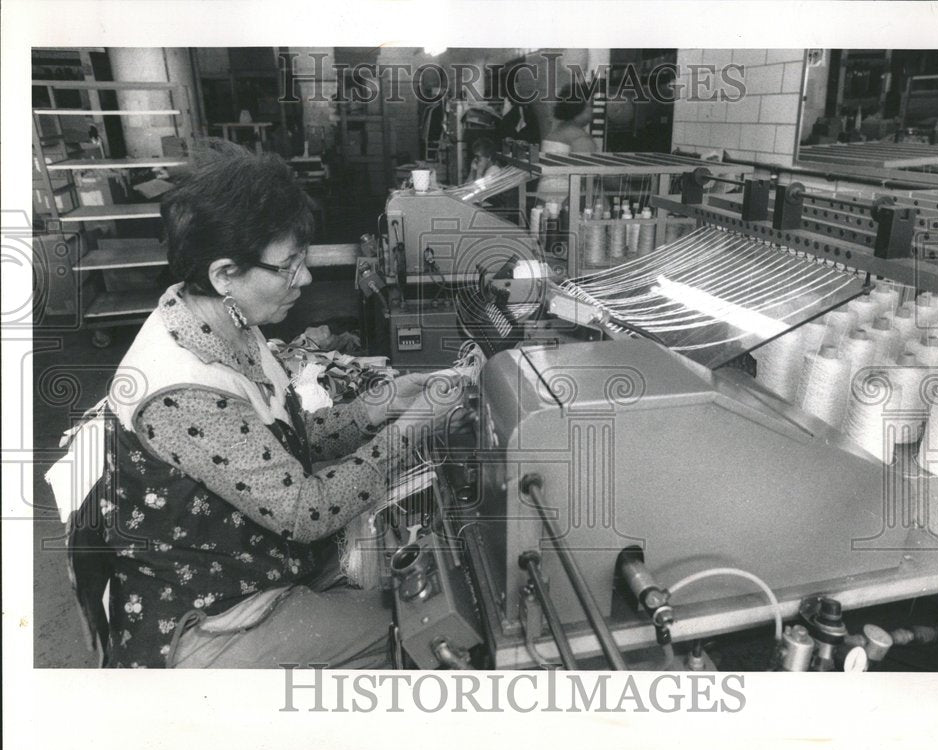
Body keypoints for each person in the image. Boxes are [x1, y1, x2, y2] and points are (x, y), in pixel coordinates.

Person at [93, 141, 461, 668]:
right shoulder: (183, 390)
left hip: (250, 564)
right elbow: (303, 511)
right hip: (207, 612)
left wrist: (377, 407)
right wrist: (411, 432)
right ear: (225, 275)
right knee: (413, 630)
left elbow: (279, 438)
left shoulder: (229, 322)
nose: (305, 279)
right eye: (288, 266)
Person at [535, 84, 597, 207]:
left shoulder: (556, 131)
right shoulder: (578, 137)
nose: (592, 110)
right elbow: (586, 176)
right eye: (590, 106)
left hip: (544, 196)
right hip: (566, 199)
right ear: (579, 108)